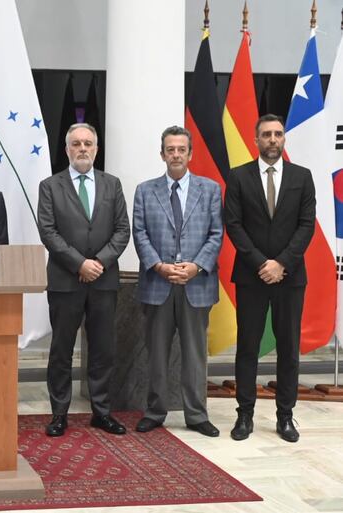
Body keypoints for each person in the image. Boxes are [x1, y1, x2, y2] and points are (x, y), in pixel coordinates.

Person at [224, 114, 315, 443]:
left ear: (284, 138)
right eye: (266, 134)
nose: (272, 139)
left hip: (290, 277)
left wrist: (282, 264)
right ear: (256, 139)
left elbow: (307, 225)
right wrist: (262, 263)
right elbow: (233, 224)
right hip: (251, 276)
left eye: (277, 134)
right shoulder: (239, 177)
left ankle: (285, 416)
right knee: (247, 347)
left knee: (288, 348)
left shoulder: (302, 177)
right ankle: (244, 414)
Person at [37, 122, 130, 437]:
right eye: (76, 143)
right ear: (67, 150)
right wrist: (79, 264)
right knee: (61, 350)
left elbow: (122, 230)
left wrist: (99, 263)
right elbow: (48, 231)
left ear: (96, 149)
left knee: (103, 349)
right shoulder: (50, 186)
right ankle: (59, 414)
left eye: (88, 143)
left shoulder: (112, 184)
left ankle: (101, 412)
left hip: (103, 280)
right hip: (65, 280)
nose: (82, 149)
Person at [132, 126, 223, 437]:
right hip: (158, 284)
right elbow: (140, 233)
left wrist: (196, 267)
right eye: (170, 150)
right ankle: (155, 412)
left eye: (181, 149)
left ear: (190, 153)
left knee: (195, 354)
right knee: (156, 354)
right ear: (162, 154)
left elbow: (216, 234)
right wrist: (158, 265)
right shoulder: (145, 191)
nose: (175, 155)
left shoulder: (210, 190)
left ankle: (196, 415)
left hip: (196, 285)